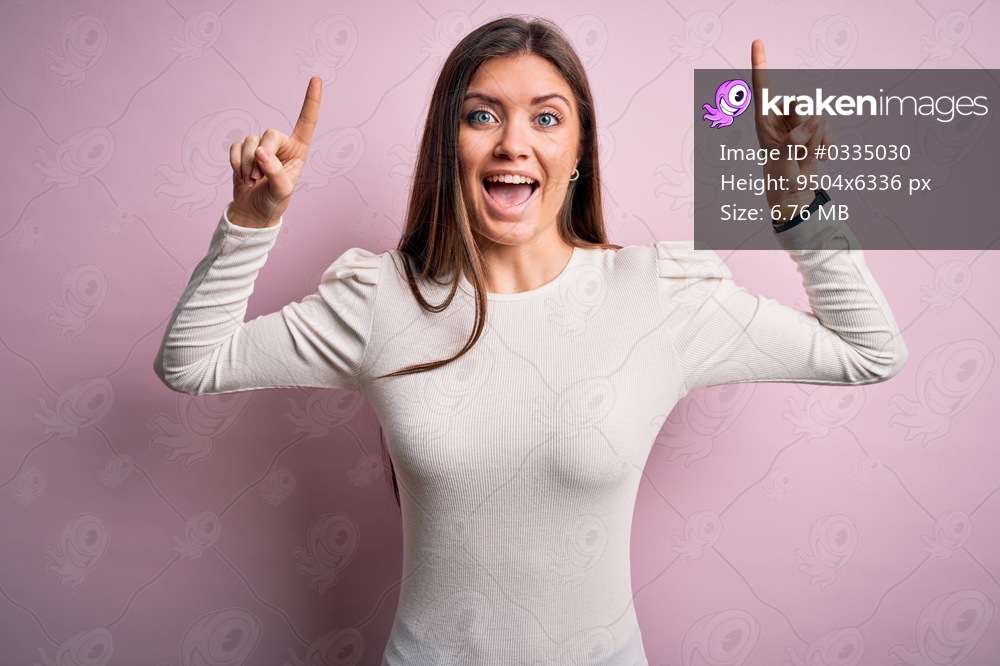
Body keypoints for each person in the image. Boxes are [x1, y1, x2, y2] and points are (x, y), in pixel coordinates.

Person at [154, 16, 907, 665]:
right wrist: (251, 221)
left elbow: (868, 351)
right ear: (449, 144)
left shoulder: (660, 294)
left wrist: (800, 206)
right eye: (482, 116)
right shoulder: (381, 298)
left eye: (546, 119)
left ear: (578, 152)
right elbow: (192, 362)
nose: (514, 142)